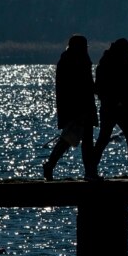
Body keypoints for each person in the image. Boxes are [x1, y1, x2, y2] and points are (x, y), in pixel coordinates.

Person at [90, 38, 128, 179]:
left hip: (114, 106)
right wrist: (120, 100)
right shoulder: (115, 62)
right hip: (116, 106)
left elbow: (102, 86)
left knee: (105, 138)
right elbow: (118, 84)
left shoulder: (106, 61)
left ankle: (91, 170)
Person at [42, 35, 96, 180]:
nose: (86, 48)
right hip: (79, 108)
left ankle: (51, 165)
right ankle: (89, 173)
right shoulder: (75, 61)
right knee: (78, 141)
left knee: (71, 140)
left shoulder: (69, 59)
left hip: (78, 107)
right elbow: (77, 87)